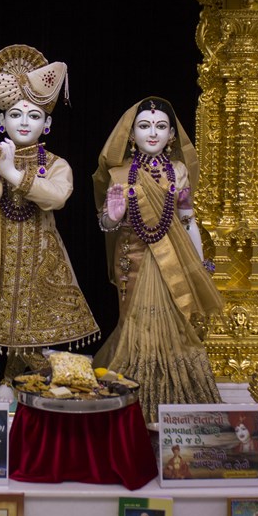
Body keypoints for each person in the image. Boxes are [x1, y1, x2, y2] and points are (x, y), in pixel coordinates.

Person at [0, 45, 99, 395]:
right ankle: (8, 385)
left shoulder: (56, 164)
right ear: (2, 120)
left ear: (47, 124)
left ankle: (18, 384)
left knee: (32, 330)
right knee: (1, 327)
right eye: (16, 114)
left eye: (34, 116)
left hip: (41, 262)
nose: (24, 122)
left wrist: (12, 173)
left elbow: (57, 197)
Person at [92, 97, 223, 423]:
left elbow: (188, 221)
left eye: (161, 126)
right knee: (134, 324)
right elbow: (107, 223)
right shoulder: (120, 174)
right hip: (132, 260)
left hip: (173, 260)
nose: (153, 133)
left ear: (171, 136)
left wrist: (200, 264)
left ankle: (174, 399)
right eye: (145, 126)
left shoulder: (178, 172)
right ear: (131, 135)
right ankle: (133, 404)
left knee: (174, 324)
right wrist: (112, 216)